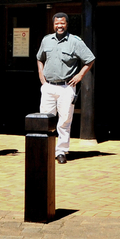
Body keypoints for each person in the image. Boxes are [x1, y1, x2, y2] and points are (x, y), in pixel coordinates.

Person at [36, 11, 95, 164]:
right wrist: (41, 75)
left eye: (62, 23)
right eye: (57, 23)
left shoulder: (75, 41)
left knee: (64, 120)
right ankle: (45, 149)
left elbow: (90, 59)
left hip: (66, 87)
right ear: (53, 24)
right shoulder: (46, 40)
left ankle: (61, 151)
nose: (59, 26)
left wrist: (80, 76)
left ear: (67, 24)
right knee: (44, 119)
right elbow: (39, 58)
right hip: (48, 86)